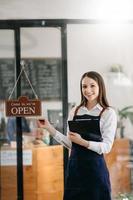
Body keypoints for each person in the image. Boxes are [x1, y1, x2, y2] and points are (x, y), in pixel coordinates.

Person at [37, 71, 117, 200]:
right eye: (84, 86)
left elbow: (107, 147)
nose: (88, 90)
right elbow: (70, 143)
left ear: (100, 87)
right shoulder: (75, 111)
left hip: (95, 170)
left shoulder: (108, 113)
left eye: (92, 86)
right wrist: (49, 128)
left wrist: (83, 142)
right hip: (75, 170)